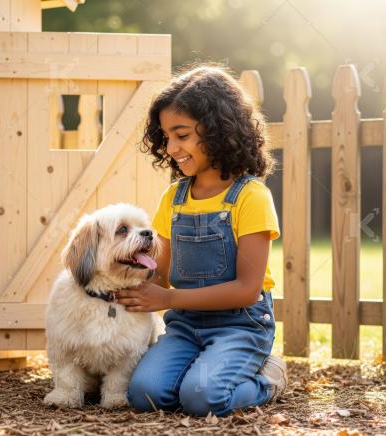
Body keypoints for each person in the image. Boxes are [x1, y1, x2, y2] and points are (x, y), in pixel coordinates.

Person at [119, 64, 288, 417]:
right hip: (186, 327)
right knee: (144, 395)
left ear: (217, 130)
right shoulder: (173, 199)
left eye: (181, 134)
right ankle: (204, 367)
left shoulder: (251, 196)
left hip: (240, 325)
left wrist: (167, 298)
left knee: (202, 398)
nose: (172, 147)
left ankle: (268, 378)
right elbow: (160, 276)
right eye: (166, 136)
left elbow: (247, 289)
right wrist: (119, 278)